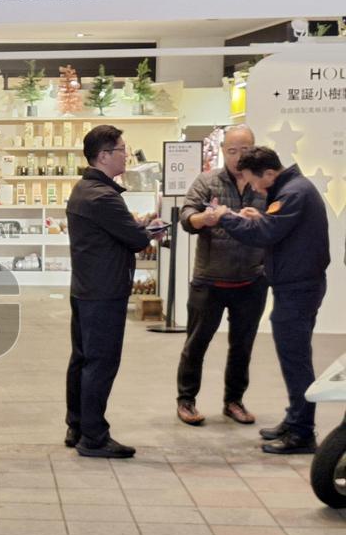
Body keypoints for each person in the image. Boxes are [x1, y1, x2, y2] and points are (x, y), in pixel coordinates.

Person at [218, 146, 330, 454]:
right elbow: (277, 228)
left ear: (269, 173)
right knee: (294, 358)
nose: (253, 188)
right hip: (295, 286)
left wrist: (225, 217)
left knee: (296, 361)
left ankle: (302, 432)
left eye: (254, 181)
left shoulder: (293, 193)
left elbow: (266, 234)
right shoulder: (291, 190)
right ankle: (295, 420)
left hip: (298, 289)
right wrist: (261, 217)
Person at [65, 125, 164, 459]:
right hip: (104, 290)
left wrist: (136, 225)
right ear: (104, 155)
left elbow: (117, 231)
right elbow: (136, 241)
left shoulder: (84, 189)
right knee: (100, 362)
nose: (127, 154)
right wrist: (147, 230)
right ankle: (93, 436)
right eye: (122, 149)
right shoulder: (104, 196)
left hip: (86, 287)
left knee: (82, 359)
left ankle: (77, 425)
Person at [175, 124, 267, 426]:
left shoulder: (264, 183)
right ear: (223, 150)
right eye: (232, 150)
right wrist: (205, 217)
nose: (239, 157)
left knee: (242, 345)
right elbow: (187, 218)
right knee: (197, 343)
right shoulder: (207, 181)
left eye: (245, 150)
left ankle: (234, 401)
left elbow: (279, 220)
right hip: (210, 280)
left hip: (252, 279)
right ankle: (186, 401)